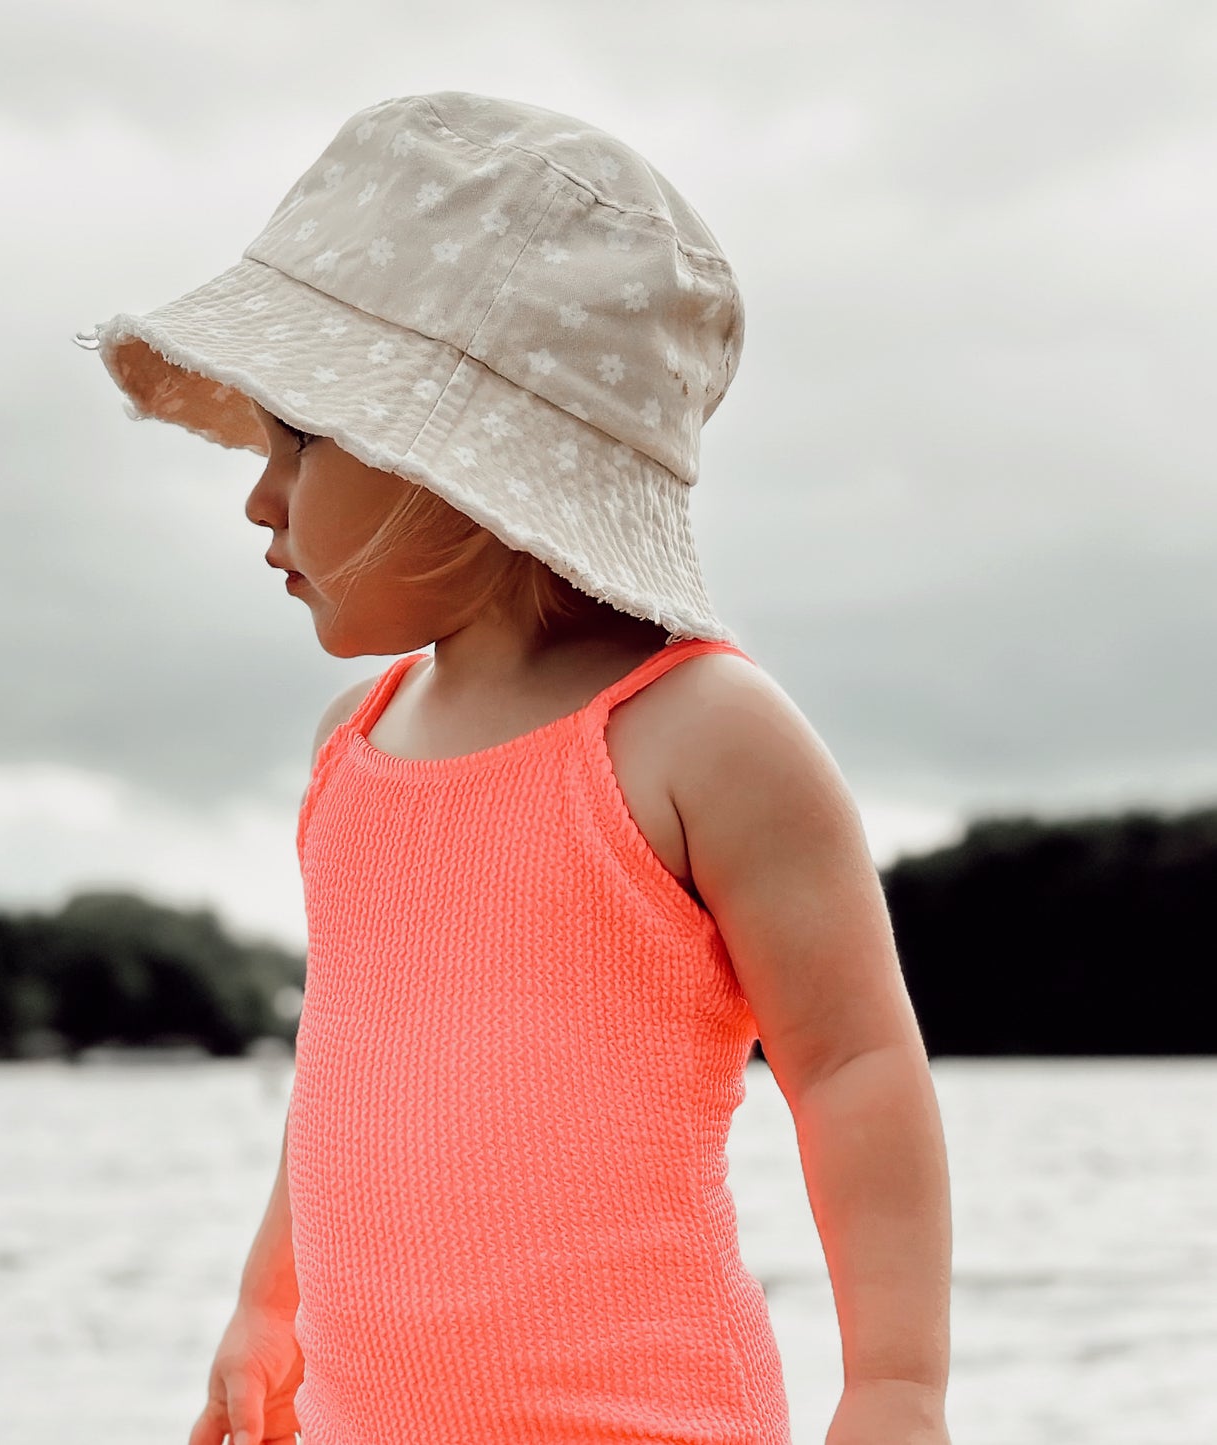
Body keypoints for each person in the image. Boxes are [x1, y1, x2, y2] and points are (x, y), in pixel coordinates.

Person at [75, 91, 952, 1445]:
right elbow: (347, 1072)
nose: (257, 495)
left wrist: (892, 1388)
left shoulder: (699, 732)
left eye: (296, 443)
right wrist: (268, 1302)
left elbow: (851, 1065)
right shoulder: (349, 746)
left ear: (456, 467)